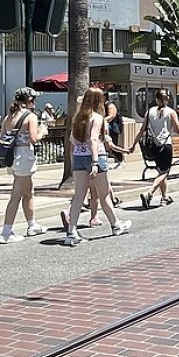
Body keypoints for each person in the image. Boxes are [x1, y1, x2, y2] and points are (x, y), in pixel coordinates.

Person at [64, 87, 132, 247]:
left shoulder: (77, 118)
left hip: (79, 157)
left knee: (79, 196)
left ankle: (71, 231)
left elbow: (72, 142)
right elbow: (94, 139)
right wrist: (95, 162)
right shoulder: (97, 117)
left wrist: (73, 162)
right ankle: (116, 225)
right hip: (96, 157)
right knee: (104, 194)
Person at [0, 86, 49, 244]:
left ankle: (32, 225)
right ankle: (6, 232)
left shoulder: (9, 117)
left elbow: (0, 138)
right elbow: (34, 139)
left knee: (28, 192)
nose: (35, 102)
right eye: (34, 100)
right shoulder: (30, 116)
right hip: (24, 157)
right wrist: (43, 132)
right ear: (29, 101)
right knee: (16, 195)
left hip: (13, 157)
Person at [131, 89, 179, 208]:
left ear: (156, 99)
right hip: (165, 145)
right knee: (165, 172)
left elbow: (142, 130)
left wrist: (133, 145)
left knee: (161, 171)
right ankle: (149, 192)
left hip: (153, 146)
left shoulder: (149, 112)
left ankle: (164, 197)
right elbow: (178, 130)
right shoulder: (171, 112)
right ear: (167, 99)